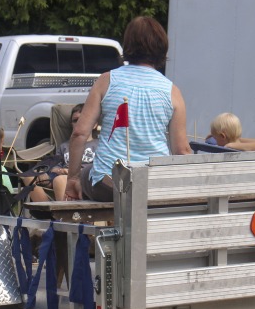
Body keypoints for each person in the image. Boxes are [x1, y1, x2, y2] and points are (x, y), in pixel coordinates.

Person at [64, 16, 192, 202]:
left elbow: (79, 133)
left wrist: (73, 178)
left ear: (128, 45)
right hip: (152, 185)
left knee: (87, 173)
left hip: (109, 185)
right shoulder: (172, 91)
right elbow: (181, 150)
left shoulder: (106, 81)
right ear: (162, 47)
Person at [26, 103, 99, 202]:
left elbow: (100, 169)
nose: (79, 123)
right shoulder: (64, 146)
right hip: (61, 176)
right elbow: (55, 167)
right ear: (71, 124)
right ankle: (46, 212)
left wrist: (71, 173)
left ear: (94, 124)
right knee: (28, 176)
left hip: (85, 180)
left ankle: (63, 215)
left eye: (83, 119)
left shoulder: (99, 145)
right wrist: (57, 172)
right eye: (75, 120)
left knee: (60, 180)